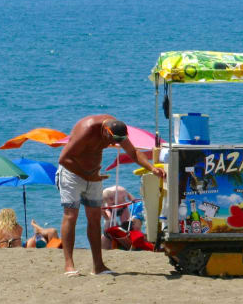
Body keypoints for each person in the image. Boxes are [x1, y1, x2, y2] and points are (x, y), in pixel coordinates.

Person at [56, 115, 165, 276]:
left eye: (118, 141)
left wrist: (151, 168)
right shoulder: (87, 130)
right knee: (71, 215)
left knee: (94, 218)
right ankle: (69, 264)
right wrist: (88, 175)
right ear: (105, 131)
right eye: (112, 140)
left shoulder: (117, 130)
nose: (114, 144)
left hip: (93, 175)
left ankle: (98, 266)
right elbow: (64, 158)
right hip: (72, 174)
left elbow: (134, 153)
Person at [101, 185, 134, 250]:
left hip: (123, 207)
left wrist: (134, 204)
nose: (112, 202)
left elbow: (131, 198)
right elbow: (101, 209)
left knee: (126, 224)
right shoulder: (103, 195)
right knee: (110, 224)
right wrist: (107, 218)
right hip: (110, 209)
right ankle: (109, 241)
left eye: (112, 202)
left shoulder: (122, 190)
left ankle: (127, 241)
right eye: (111, 202)